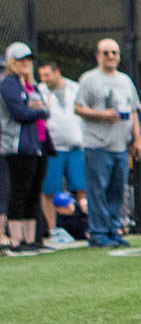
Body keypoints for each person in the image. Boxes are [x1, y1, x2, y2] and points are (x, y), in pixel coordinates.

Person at [75, 38, 141, 249]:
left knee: (117, 190)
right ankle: (99, 233)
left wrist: (137, 139)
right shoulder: (89, 79)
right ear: (98, 56)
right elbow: (78, 108)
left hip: (120, 146)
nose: (111, 56)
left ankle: (114, 230)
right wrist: (101, 115)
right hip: (97, 146)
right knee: (97, 191)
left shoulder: (125, 81)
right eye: (106, 53)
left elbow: (133, 111)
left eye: (114, 52)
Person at [1, 43, 51, 254]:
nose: (24, 64)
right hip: (17, 146)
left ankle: (32, 240)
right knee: (19, 192)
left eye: (27, 60)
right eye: (20, 60)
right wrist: (38, 111)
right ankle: (17, 240)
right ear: (12, 62)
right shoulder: (9, 84)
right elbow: (20, 113)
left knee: (33, 191)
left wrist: (39, 110)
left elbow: (45, 109)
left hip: (37, 144)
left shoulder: (30, 85)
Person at [37, 60, 87, 230]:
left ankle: (88, 226)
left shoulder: (75, 88)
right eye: (41, 76)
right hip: (54, 149)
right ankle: (52, 230)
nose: (44, 79)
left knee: (81, 188)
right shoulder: (39, 91)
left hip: (76, 146)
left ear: (57, 72)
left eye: (47, 74)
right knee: (49, 190)